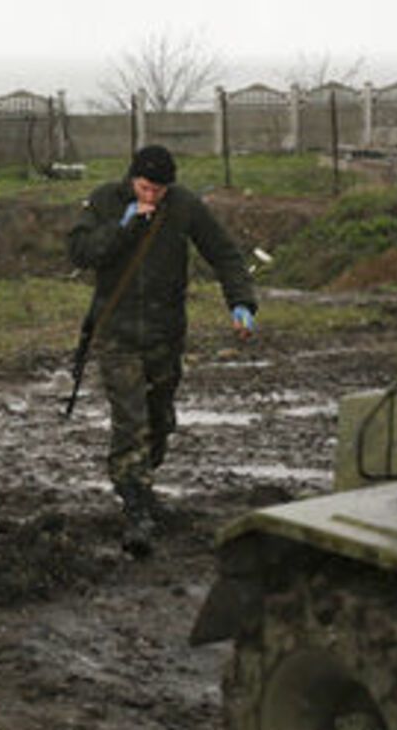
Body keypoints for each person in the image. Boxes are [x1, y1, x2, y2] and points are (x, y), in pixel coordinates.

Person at [66, 145, 256, 556]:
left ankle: (141, 483)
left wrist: (241, 302)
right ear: (132, 178)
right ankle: (137, 508)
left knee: (158, 420)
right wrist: (124, 225)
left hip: (165, 335)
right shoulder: (105, 200)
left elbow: (224, 253)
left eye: (159, 190)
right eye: (145, 187)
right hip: (116, 334)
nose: (152, 196)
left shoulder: (184, 206)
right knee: (130, 420)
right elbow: (81, 253)